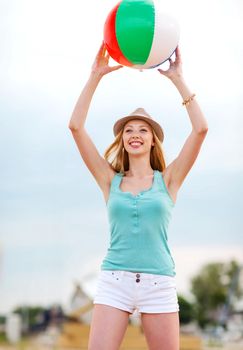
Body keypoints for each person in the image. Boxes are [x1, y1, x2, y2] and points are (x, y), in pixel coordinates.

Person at [68, 42, 208, 350]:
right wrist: (95, 76)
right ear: (122, 140)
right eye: (129, 129)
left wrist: (177, 78)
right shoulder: (109, 180)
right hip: (114, 281)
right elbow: (76, 127)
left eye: (143, 130)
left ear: (153, 142)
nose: (135, 133)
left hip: (158, 283)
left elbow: (200, 130)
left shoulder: (169, 179)